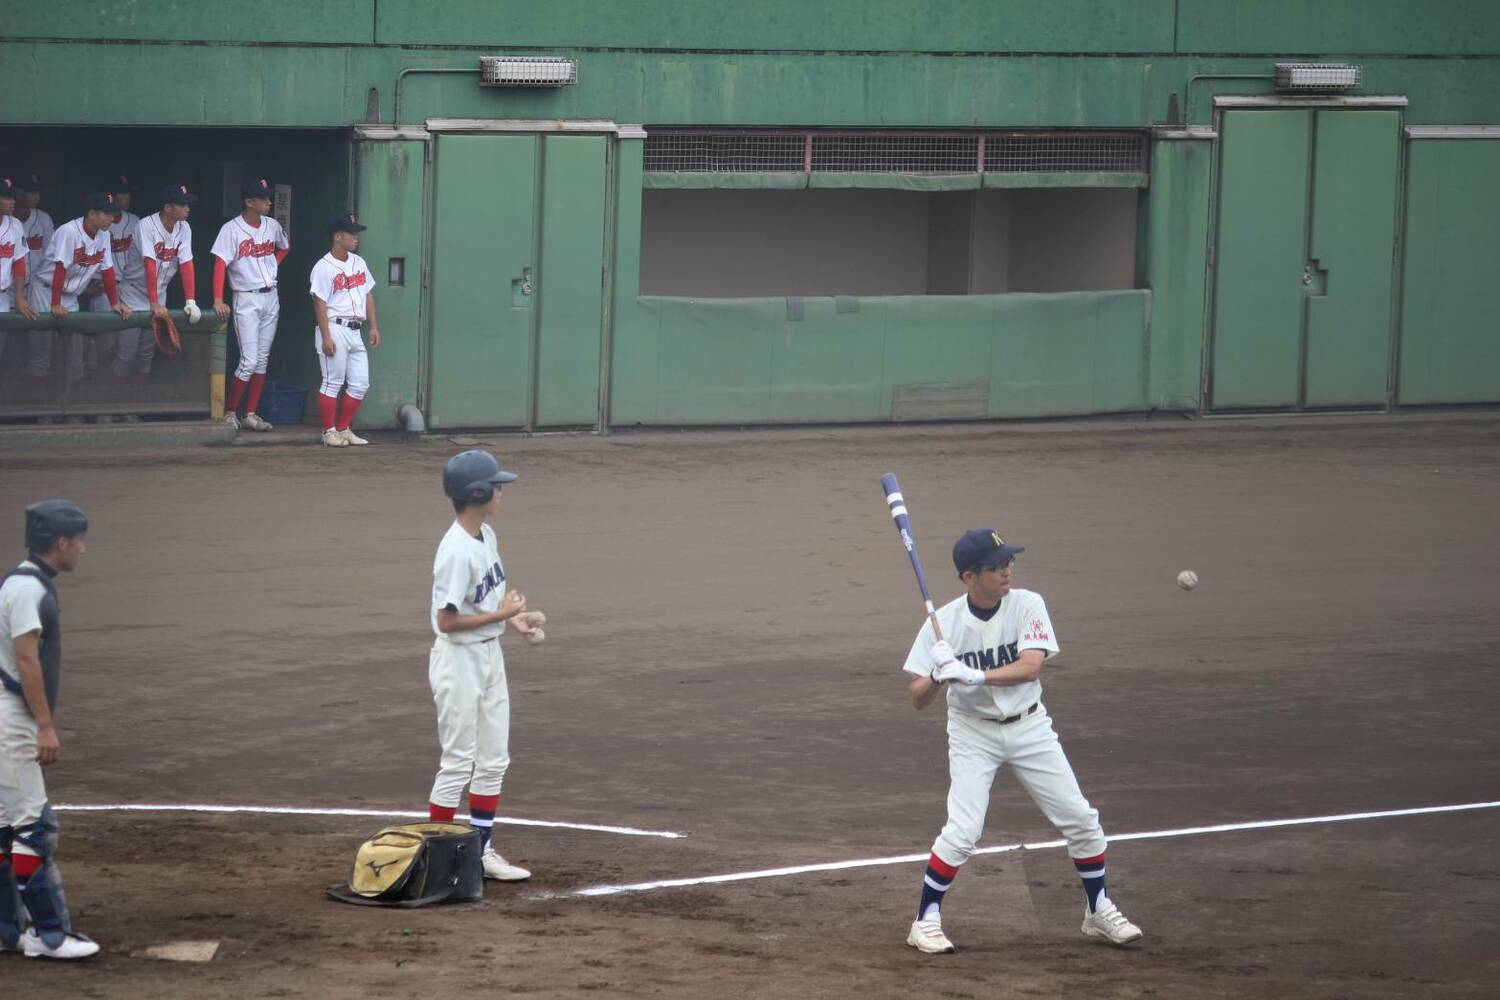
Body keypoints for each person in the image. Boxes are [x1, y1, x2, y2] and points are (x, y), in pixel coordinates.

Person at [903, 528, 1142, 954]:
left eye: (1008, 562)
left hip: (1029, 726)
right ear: (969, 576)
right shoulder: (943, 622)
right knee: (963, 830)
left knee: (1080, 818)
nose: (1006, 571)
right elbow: (917, 698)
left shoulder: (1028, 605)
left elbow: (1031, 667)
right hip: (972, 732)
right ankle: (925, 920)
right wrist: (939, 675)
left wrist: (975, 674)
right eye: (996, 566)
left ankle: (1097, 909)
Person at [425, 450, 542, 882]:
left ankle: (481, 851)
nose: (501, 492)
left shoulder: (485, 536)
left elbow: (493, 599)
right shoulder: (455, 552)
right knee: (458, 761)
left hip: (490, 655)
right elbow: (447, 620)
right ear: (477, 493)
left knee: (493, 760)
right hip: (459, 661)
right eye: (496, 486)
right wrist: (498, 617)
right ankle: (439, 859)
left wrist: (516, 621)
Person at [0, 500, 100, 960]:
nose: (83, 548)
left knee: (5, 829)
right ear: (60, 543)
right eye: (78, 540)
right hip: (13, 718)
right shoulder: (27, 591)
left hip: (6, 714)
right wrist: (44, 725)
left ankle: (7, 930)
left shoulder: (20, 584)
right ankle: (50, 935)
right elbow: (26, 660)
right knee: (35, 828)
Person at [211, 176, 288, 432]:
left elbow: (284, 247)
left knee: (262, 359)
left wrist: (272, 265)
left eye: (268, 197)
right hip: (246, 297)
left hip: (270, 296)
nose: (268, 201)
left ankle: (250, 414)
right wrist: (218, 299)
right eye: (263, 198)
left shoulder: (272, 225)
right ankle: (230, 412)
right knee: (249, 360)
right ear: (249, 202)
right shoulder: (231, 229)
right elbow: (220, 263)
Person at [309, 212, 380, 447]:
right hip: (334, 326)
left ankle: (343, 428)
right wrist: (326, 336)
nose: (356, 237)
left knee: (360, 383)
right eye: (352, 233)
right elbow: (319, 303)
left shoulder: (358, 262)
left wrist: (373, 326)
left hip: (355, 329)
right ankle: (329, 431)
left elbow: (368, 294)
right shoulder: (323, 266)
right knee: (332, 382)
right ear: (338, 236)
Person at [0, 177, 39, 385]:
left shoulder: (14, 224)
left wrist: (19, 297)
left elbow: (19, 263)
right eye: (7, 197)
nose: (13, 201)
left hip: (3, 297)